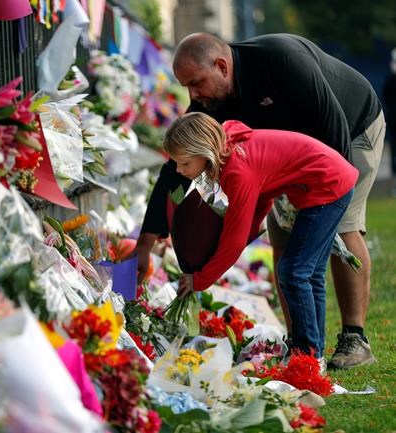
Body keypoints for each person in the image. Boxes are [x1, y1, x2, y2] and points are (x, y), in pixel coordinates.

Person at [136, 33, 385, 369]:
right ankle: (302, 342)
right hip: (290, 165)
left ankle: (354, 338)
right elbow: (175, 171)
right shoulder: (208, 109)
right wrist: (147, 241)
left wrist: (324, 206)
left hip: (349, 132)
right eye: (186, 87)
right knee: (283, 240)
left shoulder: (283, 62)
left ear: (221, 66)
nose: (192, 95)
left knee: (342, 228)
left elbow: (333, 127)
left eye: (195, 83)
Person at [166, 112, 357, 364]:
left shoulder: (237, 169)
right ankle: (312, 354)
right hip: (326, 180)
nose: (179, 170)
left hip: (327, 185)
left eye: (184, 163)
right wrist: (248, 229)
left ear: (203, 151)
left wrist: (200, 279)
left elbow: (234, 239)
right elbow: (264, 195)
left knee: (293, 271)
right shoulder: (229, 151)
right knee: (307, 273)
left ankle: (308, 357)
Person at [383, 48, 396, 175]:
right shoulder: (390, 79)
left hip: (392, 118)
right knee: (393, 145)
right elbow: (386, 96)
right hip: (393, 119)